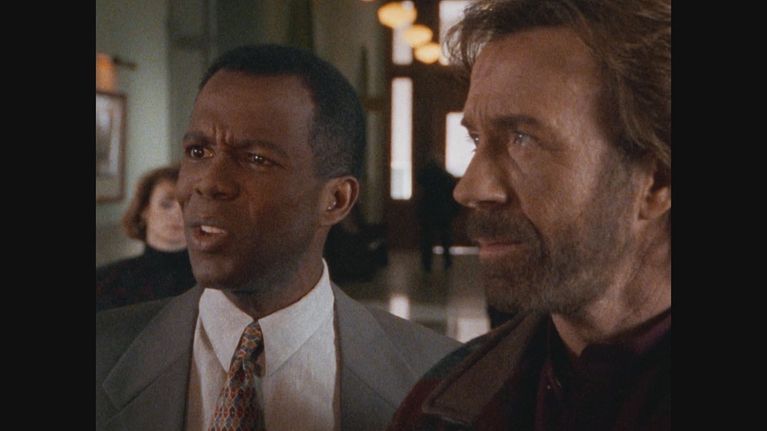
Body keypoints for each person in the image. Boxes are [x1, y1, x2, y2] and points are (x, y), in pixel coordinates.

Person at [96, 44, 460, 431]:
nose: (209, 183)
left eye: (257, 159)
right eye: (198, 151)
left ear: (336, 199)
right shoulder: (103, 352)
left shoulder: (440, 380)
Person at [389, 0, 671, 430]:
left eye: (522, 139)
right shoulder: (441, 401)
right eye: (476, 140)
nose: (469, 189)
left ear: (656, 182)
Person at [96, 164, 195, 312]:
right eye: (166, 205)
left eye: (188, 206)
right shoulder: (106, 281)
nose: (177, 214)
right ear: (144, 210)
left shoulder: (214, 281)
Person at [415, 159, 460, 271]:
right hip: (443, 211)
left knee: (427, 239)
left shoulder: (424, 176)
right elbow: (453, 194)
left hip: (428, 210)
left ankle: (426, 263)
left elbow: (419, 187)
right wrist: (454, 210)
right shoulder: (446, 177)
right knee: (445, 237)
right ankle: (447, 261)